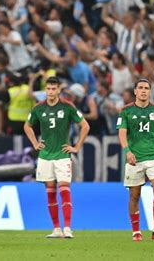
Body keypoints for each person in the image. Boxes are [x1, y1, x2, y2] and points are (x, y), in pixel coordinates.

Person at [24, 76, 90, 239]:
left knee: (64, 190)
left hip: (62, 155)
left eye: (54, 89)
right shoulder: (39, 108)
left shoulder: (67, 106)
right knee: (50, 192)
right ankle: (56, 229)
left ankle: (67, 227)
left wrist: (76, 147)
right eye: (48, 89)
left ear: (59, 90)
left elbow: (85, 126)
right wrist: (34, 143)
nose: (51, 92)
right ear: (45, 90)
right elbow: (27, 126)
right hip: (45, 156)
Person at [116, 78, 154, 242]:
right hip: (134, 158)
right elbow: (122, 132)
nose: (144, 90)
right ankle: (136, 231)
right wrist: (127, 151)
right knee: (134, 195)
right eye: (141, 88)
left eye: (147, 88)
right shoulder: (126, 111)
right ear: (135, 91)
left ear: (150, 92)